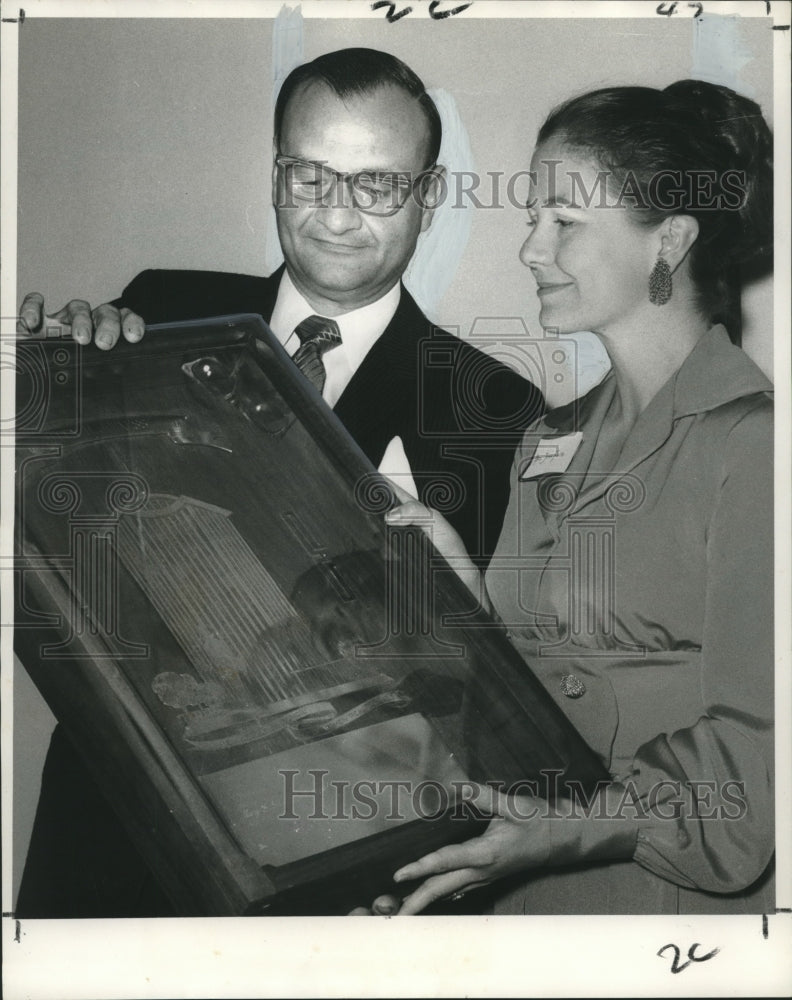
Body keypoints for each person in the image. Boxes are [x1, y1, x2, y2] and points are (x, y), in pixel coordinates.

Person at [15, 48, 542, 918]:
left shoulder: (497, 406)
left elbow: (490, 693)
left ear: (431, 197)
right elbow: (63, 531)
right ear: (275, 175)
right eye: (311, 175)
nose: (337, 214)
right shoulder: (157, 309)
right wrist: (49, 382)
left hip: (323, 864)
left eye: (377, 184)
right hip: (105, 847)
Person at [353, 79, 775, 916]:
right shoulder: (545, 441)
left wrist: (561, 828)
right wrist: (464, 596)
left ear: (671, 240)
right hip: (527, 895)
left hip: (666, 909)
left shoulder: (755, 446)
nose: (532, 250)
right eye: (531, 220)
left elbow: (752, 776)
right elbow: (523, 699)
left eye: (565, 223)